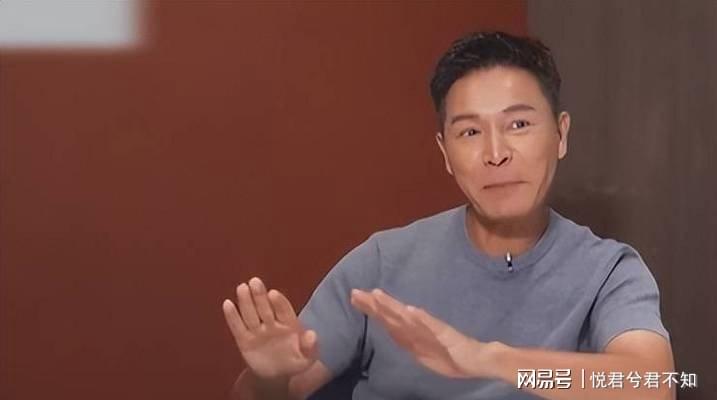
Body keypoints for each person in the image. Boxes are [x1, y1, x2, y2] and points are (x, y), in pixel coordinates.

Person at [221, 31, 675, 400]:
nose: (496, 153)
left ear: (561, 135)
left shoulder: (608, 271)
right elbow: (262, 396)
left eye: (518, 124)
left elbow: (653, 386)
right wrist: (269, 377)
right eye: (470, 132)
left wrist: (486, 359)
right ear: (444, 152)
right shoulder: (381, 263)